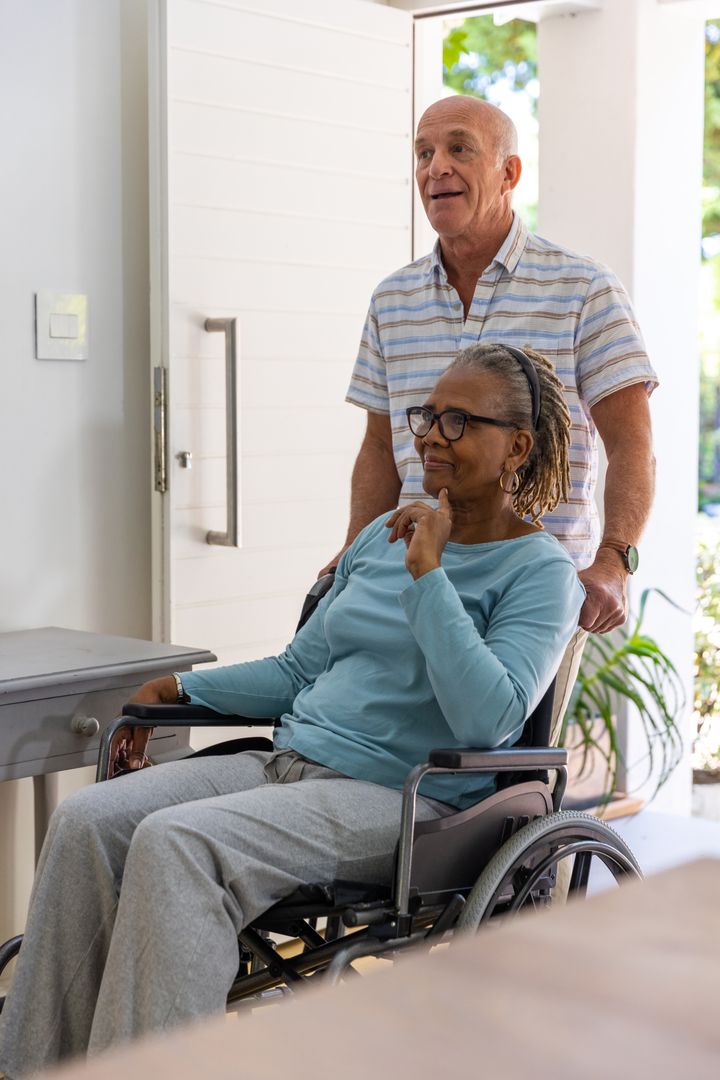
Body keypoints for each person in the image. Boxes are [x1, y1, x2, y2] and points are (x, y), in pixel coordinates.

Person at [0, 344, 585, 1078]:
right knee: (88, 821)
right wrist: (180, 689)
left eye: (459, 421)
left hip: (405, 800)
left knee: (179, 845)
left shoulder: (540, 571)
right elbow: (298, 669)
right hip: (288, 763)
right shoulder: (382, 535)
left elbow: (486, 718)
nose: (432, 435)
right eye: (428, 415)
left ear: (518, 447)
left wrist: (431, 574)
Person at [331, 96, 657, 644]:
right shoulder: (392, 298)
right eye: (423, 153)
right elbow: (378, 448)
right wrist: (353, 553)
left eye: (459, 148)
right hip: (409, 577)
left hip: (534, 595)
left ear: (508, 173)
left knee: (497, 728)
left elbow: (632, 444)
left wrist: (614, 562)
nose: (436, 167)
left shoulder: (583, 288)